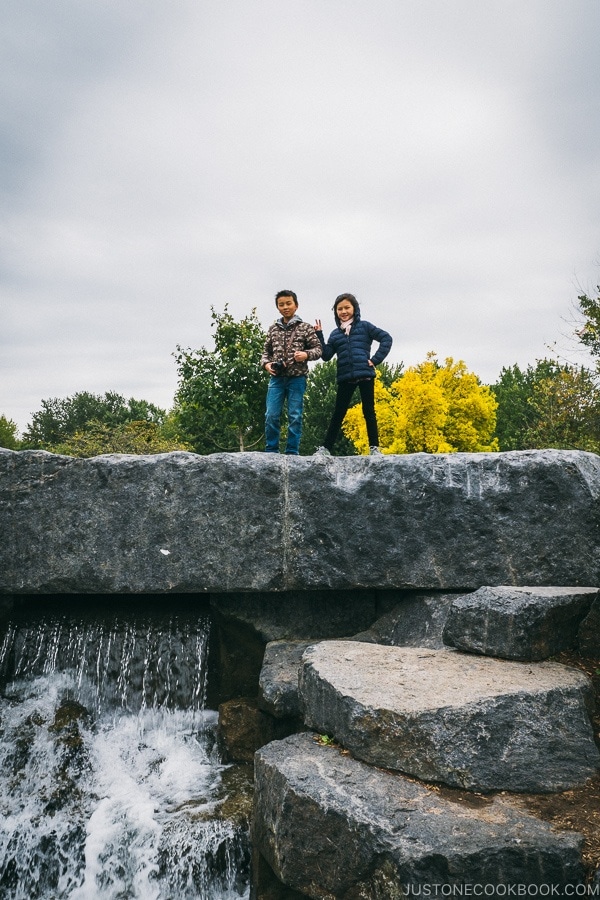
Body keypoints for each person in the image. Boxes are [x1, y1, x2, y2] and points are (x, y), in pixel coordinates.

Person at [314, 292, 392, 455]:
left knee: (369, 411)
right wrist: (319, 335)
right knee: (338, 413)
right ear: (335, 312)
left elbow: (386, 338)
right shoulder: (335, 334)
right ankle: (326, 449)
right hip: (345, 376)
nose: (343, 311)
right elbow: (326, 355)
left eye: (347, 308)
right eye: (339, 309)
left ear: (354, 308)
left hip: (365, 373)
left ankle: (374, 448)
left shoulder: (365, 326)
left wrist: (375, 360)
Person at [261, 290, 322, 454]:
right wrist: (266, 364)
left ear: (296, 305)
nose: (285, 307)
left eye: (288, 303)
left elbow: (318, 349)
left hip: (297, 378)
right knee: (271, 415)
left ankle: (292, 451)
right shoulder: (273, 329)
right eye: (281, 304)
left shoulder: (305, 328)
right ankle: (271, 451)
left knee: (295, 416)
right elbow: (265, 353)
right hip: (277, 379)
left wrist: (306, 355)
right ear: (277, 307)